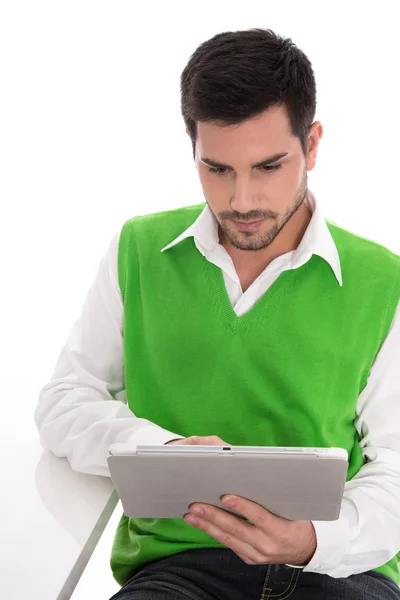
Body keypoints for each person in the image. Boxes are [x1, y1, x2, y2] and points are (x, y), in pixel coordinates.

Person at [34, 28, 400, 600]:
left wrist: (311, 541)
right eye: (217, 169)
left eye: (269, 166)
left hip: (338, 571)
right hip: (180, 572)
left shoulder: (385, 281)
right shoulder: (139, 250)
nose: (242, 201)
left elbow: (395, 464)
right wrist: (161, 450)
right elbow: (64, 401)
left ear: (313, 145)